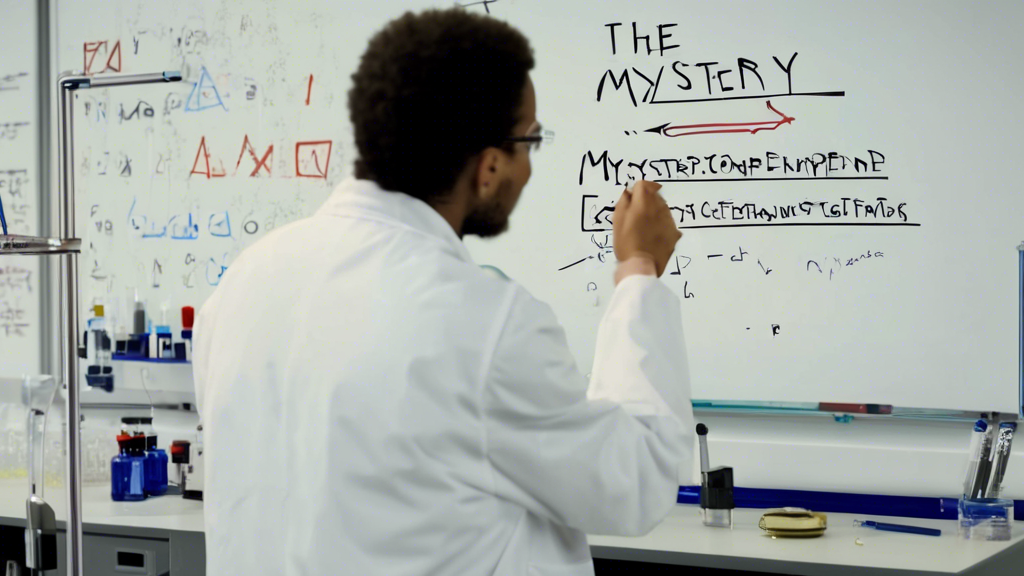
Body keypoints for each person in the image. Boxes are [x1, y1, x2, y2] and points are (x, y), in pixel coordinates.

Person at [193, 8, 693, 576]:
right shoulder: (483, 324)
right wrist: (638, 271)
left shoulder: (243, 284)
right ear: (488, 167)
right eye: (530, 142)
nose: (529, 168)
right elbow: (636, 482)